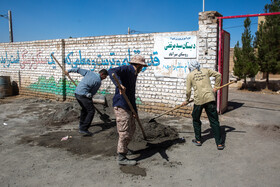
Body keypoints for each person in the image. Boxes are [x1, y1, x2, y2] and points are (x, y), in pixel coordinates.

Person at [108, 55, 148, 166]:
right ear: (139, 66)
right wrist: (119, 84)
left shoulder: (134, 74)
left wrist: (135, 111)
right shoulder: (127, 69)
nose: (142, 69)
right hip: (121, 105)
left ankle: (124, 148)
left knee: (132, 128)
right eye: (142, 67)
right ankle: (121, 157)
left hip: (128, 105)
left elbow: (131, 94)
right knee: (124, 131)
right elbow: (111, 71)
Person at [182, 61, 224, 150]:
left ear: (191, 68)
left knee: (196, 119)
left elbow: (188, 91)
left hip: (199, 101)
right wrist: (216, 87)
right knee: (214, 121)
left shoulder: (190, 75)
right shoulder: (205, 71)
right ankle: (219, 144)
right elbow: (218, 75)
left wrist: (186, 100)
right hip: (210, 98)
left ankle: (198, 140)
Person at [65, 68, 108, 136]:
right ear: (102, 74)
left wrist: (68, 71)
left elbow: (78, 69)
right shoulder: (98, 81)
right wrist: (89, 96)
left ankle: (81, 125)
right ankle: (83, 129)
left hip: (77, 93)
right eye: (104, 77)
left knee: (84, 110)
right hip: (83, 95)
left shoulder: (89, 73)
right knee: (91, 111)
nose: (104, 78)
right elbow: (92, 93)